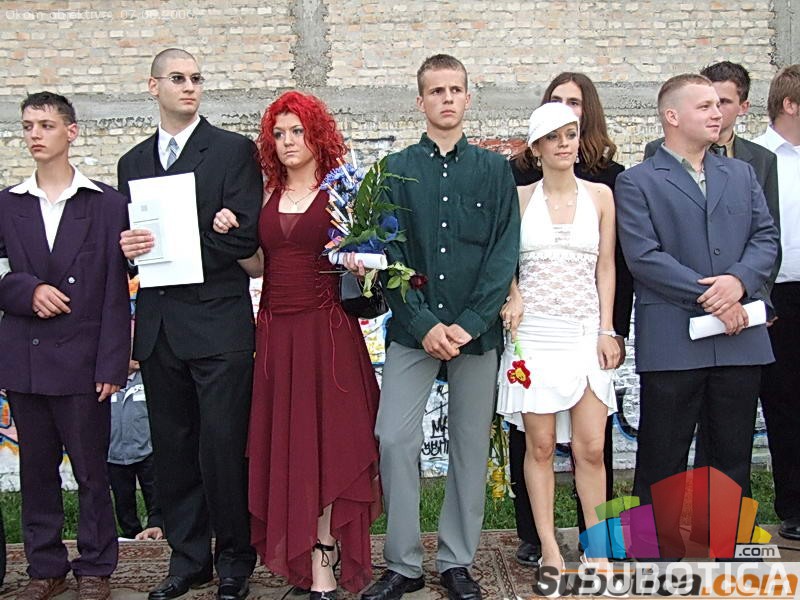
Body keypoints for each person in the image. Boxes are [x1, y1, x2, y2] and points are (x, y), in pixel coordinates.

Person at [358, 54, 520, 600]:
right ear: (420, 101)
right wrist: (425, 323)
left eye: (455, 90)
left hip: (477, 334)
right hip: (413, 332)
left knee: (469, 447)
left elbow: (503, 254)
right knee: (394, 437)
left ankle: (456, 562)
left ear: (468, 98)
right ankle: (402, 564)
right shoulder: (393, 171)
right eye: (436, 91)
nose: (447, 98)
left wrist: (470, 324)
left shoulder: (495, 171)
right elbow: (389, 254)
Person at [212, 90, 381, 599]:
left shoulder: (343, 192)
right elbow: (259, 265)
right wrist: (231, 237)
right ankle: (303, 550)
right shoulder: (264, 193)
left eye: (297, 132)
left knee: (329, 444)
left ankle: (324, 555)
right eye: (279, 133)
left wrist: (363, 264)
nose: (288, 142)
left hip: (326, 334)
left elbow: (370, 264)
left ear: (317, 135)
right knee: (290, 446)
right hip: (276, 334)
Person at [117, 48, 262, 600]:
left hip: (219, 324)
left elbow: (244, 238)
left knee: (222, 448)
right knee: (174, 451)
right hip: (159, 328)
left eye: (197, 78)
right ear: (153, 86)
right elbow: (136, 247)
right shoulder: (133, 162)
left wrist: (201, 235)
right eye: (177, 78)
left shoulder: (232, 150)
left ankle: (235, 559)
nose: (189, 87)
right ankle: (188, 559)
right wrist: (131, 249)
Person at [615, 75, 778, 554]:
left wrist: (738, 283)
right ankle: (654, 552)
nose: (716, 113)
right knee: (662, 454)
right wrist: (716, 297)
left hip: (738, 338)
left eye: (717, 105)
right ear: (672, 116)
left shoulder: (741, 174)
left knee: (731, 454)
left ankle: (725, 545)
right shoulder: (637, 181)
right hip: (674, 338)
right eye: (704, 105)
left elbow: (766, 237)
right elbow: (644, 257)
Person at [0, 91, 130, 600]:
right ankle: (45, 567)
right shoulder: (8, 203)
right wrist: (26, 290)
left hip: (84, 358)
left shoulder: (106, 203)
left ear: (71, 132)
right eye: (28, 125)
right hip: (25, 357)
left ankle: (96, 566)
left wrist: (112, 363)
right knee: (36, 471)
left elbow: (117, 290)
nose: (34, 134)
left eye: (46, 125)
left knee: (92, 471)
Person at [508, 72, 629, 566]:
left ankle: (597, 549)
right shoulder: (519, 198)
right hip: (534, 336)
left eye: (571, 134)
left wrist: (607, 329)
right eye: (552, 137)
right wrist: (512, 295)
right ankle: (550, 549)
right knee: (538, 447)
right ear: (536, 147)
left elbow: (607, 268)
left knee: (591, 449)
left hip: (584, 335)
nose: (564, 144)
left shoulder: (601, 196)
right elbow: (502, 263)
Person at [752, 64, 800, 541]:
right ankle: (794, 506)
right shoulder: (758, 159)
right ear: (790, 104)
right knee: (785, 401)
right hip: (780, 293)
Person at [107, 350, 163, 542]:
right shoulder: (109, 382)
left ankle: (158, 529)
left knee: (155, 495)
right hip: (115, 454)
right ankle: (131, 535)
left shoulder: (148, 380)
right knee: (123, 500)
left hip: (147, 451)